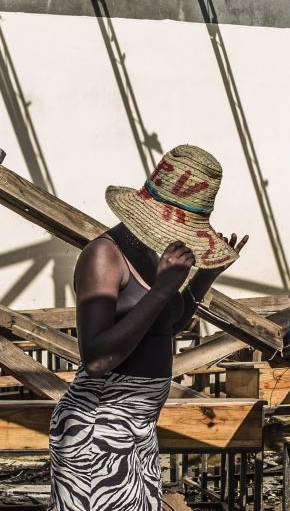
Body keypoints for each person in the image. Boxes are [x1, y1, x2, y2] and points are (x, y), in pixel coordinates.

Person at [49, 145, 249, 510]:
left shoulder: (154, 255)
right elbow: (95, 358)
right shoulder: (104, 255)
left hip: (138, 430)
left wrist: (203, 278)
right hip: (99, 430)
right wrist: (161, 288)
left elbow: (165, 327)